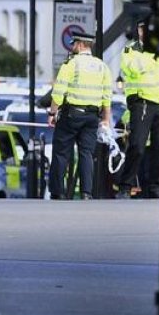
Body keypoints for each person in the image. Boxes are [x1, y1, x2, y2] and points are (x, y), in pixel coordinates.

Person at [47, 31, 114, 200]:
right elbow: (107, 96)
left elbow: (59, 91)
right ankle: (86, 192)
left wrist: (52, 112)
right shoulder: (102, 66)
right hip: (92, 117)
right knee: (86, 153)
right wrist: (105, 119)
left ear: (81, 44)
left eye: (74, 43)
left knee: (61, 152)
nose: (72, 46)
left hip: (72, 115)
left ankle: (57, 191)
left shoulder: (71, 64)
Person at [116, 22, 159, 199]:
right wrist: (154, 60)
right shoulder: (131, 50)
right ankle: (125, 186)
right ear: (139, 31)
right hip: (142, 101)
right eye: (143, 28)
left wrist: (151, 62)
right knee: (137, 145)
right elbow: (133, 68)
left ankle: (155, 187)